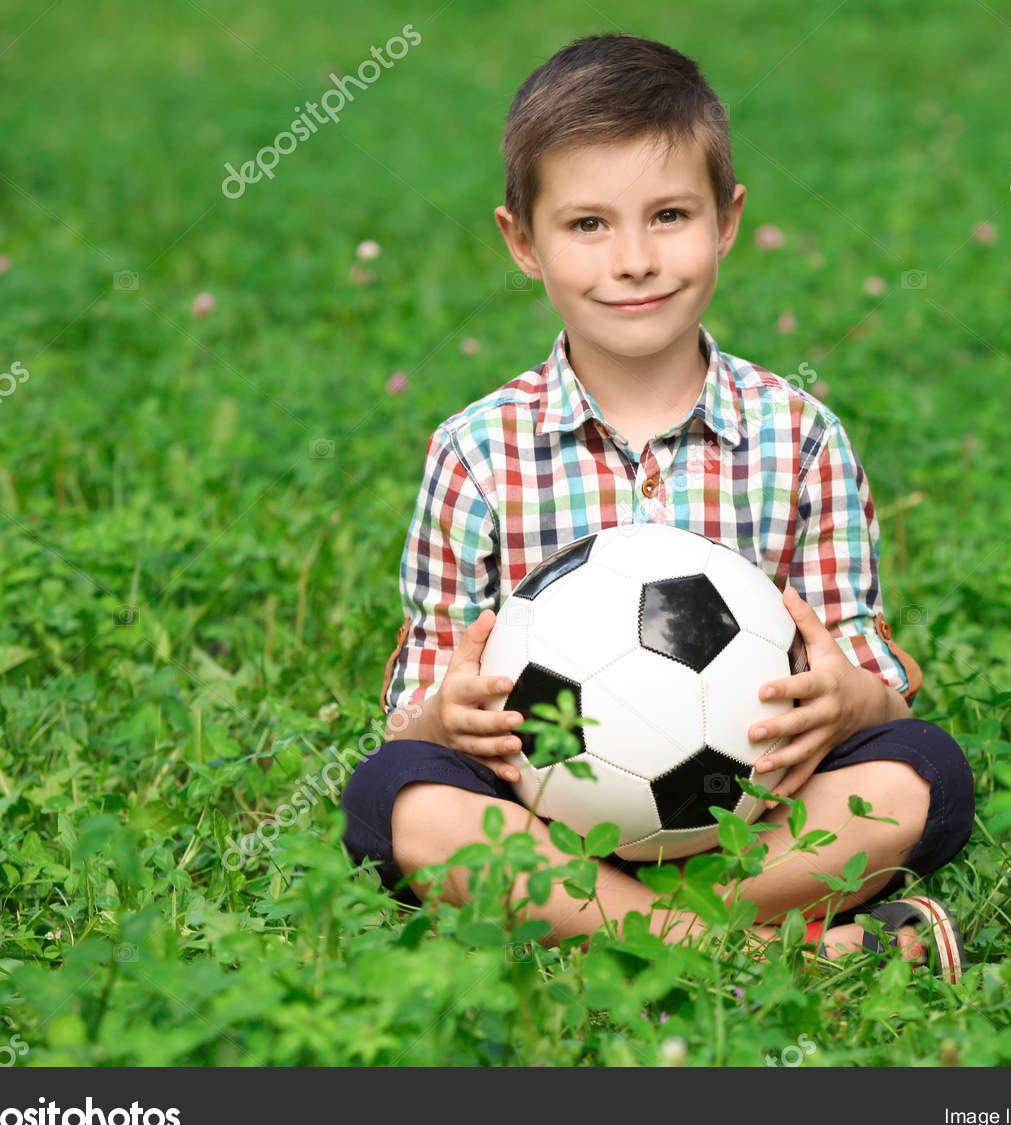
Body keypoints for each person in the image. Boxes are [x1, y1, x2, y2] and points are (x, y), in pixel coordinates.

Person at [342, 33, 973, 977]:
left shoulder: (799, 437)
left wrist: (846, 698)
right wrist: (450, 719)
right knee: (393, 796)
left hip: (754, 818)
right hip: (541, 815)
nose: (634, 260)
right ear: (523, 241)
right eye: (588, 224)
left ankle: (615, 923)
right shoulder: (475, 452)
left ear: (728, 220)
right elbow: (410, 711)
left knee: (925, 771)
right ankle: (765, 952)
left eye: (670, 215)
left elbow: (871, 674)